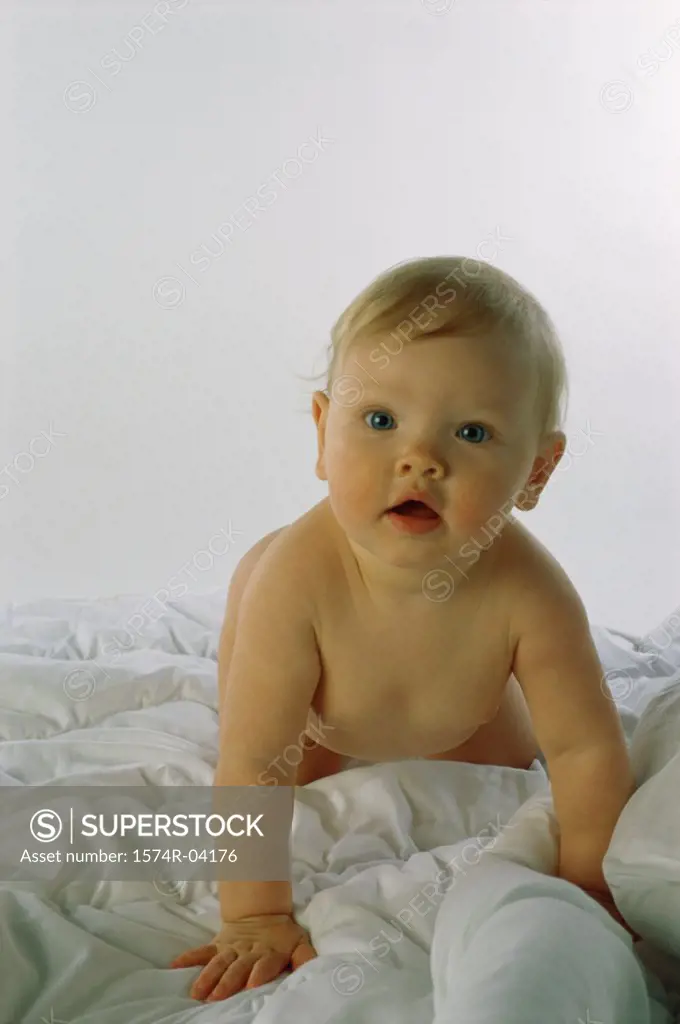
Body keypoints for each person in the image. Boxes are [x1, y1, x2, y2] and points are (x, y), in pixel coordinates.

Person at [170, 255, 635, 1001]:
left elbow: (584, 748)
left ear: (538, 471)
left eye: (474, 432)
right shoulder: (300, 579)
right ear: (323, 434)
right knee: (267, 735)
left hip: (459, 709)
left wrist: (593, 888)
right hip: (320, 720)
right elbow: (255, 762)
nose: (420, 460)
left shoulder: (531, 589)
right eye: (380, 421)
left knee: (519, 761)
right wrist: (254, 914)